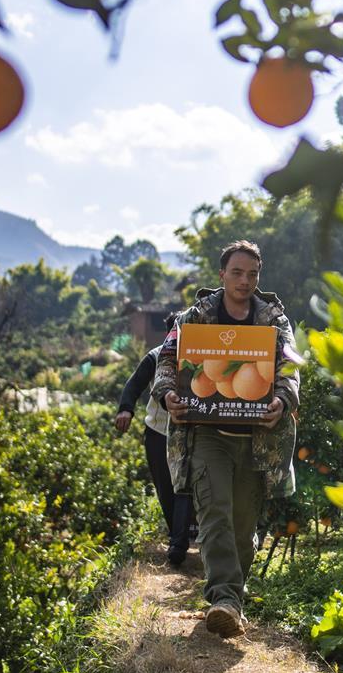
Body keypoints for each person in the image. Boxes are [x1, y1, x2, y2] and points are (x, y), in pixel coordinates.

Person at [152, 240, 299, 638]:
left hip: (257, 439)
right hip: (207, 435)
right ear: (222, 274)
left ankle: (232, 594)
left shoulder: (274, 320)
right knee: (214, 512)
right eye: (237, 272)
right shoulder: (195, 317)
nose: (245, 281)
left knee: (241, 527)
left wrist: (283, 399)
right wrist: (168, 393)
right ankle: (225, 601)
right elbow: (168, 359)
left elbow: (288, 365)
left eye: (252, 274)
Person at [114, 316, 195, 565]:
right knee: (166, 488)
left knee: (185, 486)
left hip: (190, 433)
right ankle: (177, 533)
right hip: (158, 432)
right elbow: (135, 383)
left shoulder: (200, 356)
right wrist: (126, 408)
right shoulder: (157, 356)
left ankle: (179, 544)